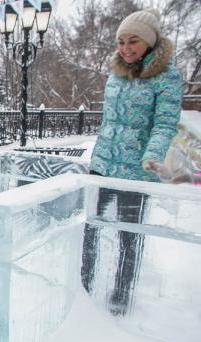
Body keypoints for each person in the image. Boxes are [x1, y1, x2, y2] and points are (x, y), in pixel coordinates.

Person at [82, 8, 183, 315]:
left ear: (150, 42)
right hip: (102, 165)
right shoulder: (115, 72)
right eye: (121, 41)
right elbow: (109, 121)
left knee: (129, 235)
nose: (125, 48)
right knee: (90, 229)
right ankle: (83, 288)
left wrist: (151, 156)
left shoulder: (167, 76)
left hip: (135, 171)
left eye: (133, 41)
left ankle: (120, 297)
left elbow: (164, 124)